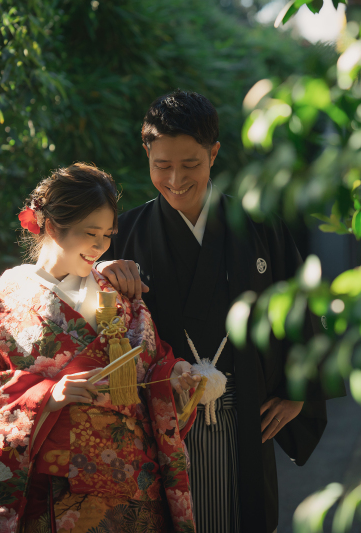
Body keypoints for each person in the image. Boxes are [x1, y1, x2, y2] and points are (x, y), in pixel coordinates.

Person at [98, 90, 341, 533]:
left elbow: (300, 301)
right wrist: (100, 273)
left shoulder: (259, 225)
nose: (175, 179)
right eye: (161, 165)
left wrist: (299, 386)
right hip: (159, 423)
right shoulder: (124, 234)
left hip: (243, 411)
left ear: (214, 153)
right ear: (146, 155)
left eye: (190, 164)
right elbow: (87, 317)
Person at [0, 163, 202, 533]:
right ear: (52, 226)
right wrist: (47, 396)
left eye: (107, 234)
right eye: (90, 233)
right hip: (57, 497)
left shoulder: (118, 290)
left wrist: (175, 375)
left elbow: (155, 363)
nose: (101, 245)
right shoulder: (2, 301)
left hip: (136, 492)